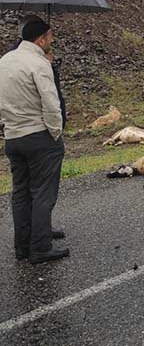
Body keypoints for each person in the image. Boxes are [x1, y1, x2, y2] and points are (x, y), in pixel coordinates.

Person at [0, 20, 69, 264]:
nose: (52, 40)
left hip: (13, 136)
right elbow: (51, 103)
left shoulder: (5, 61)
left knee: (21, 192)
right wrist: (55, 131)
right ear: (40, 39)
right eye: (50, 35)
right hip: (39, 136)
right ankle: (40, 248)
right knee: (43, 193)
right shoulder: (39, 63)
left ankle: (23, 245)